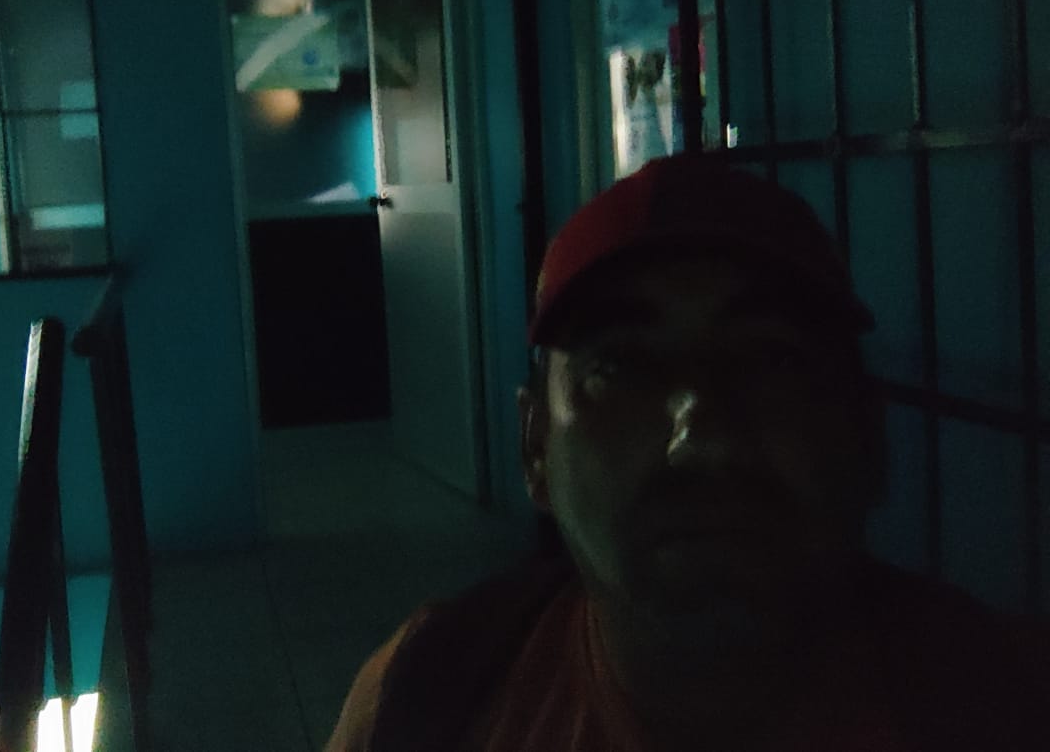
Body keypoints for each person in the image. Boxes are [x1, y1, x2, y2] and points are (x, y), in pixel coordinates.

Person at [326, 154, 1048, 752]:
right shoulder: (426, 697)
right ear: (535, 447)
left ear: (868, 435)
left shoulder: (1016, 703)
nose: (702, 437)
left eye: (774, 360)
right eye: (619, 369)